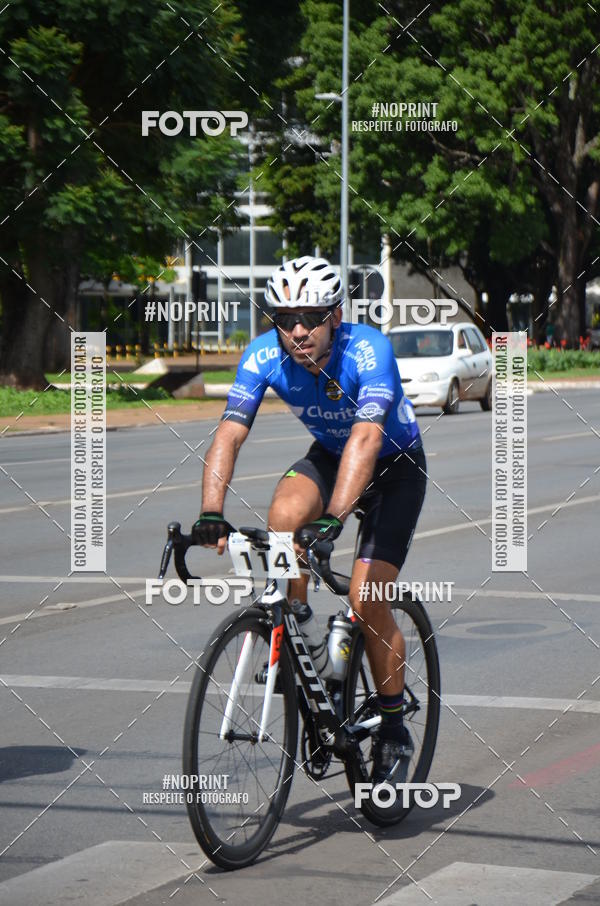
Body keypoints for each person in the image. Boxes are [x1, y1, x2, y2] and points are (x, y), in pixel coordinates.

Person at [192, 256, 427, 785]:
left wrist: (336, 517)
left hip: (393, 467)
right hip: (329, 454)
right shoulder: (263, 355)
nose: (298, 330)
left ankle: (393, 727)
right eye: (284, 318)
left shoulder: (368, 349)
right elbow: (229, 433)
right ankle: (297, 627)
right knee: (281, 518)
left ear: (335, 316)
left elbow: (366, 439)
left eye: (311, 317)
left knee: (367, 601)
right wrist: (211, 511)